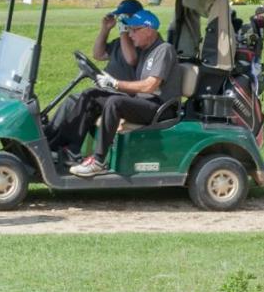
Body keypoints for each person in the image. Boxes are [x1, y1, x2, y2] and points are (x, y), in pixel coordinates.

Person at [70, 9, 181, 178]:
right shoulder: (145, 49)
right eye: (129, 30)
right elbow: (100, 54)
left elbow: (150, 86)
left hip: (160, 107)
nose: (130, 35)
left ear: (149, 30)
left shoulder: (163, 50)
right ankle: (72, 150)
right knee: (92, 95)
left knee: (115, 103)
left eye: (134, 30)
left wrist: (115, 84)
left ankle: (98, 162)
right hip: (144, 102)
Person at [44, 0, 143, 163]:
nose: (120, 20)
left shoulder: (138, 43)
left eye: (124, 17)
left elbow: (131, 59)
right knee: (72, 100)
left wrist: (124, 31)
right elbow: (98, 54)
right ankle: (49, 140)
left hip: (122, 95)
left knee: (87, 98)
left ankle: (70, 149)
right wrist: (105, 29)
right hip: (108, 89)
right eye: (120, 17)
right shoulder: (120, 42)